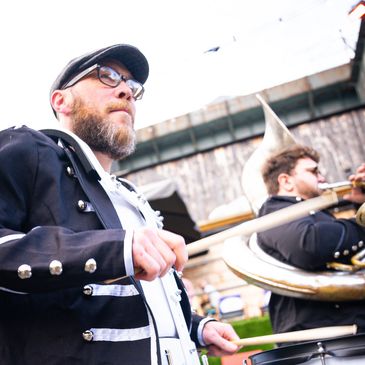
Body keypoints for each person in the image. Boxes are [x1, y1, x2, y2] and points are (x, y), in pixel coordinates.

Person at [0, 44, 240, 364]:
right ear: (61, 100)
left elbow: (134, 302)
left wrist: (195, 328)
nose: (126, 90)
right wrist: (117, 249)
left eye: (131, 85)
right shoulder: (26, 148)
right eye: (107, 76)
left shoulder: (128, 195)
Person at [257, 144, 365, 337]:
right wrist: (361, 223)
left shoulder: (317, 214)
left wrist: (360, 203)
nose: (322, 177)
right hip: (322, 341)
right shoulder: (274, 211)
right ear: (286, 181)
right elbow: (310, 246)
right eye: (314, 171)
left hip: (349, 330)